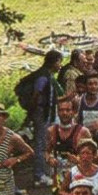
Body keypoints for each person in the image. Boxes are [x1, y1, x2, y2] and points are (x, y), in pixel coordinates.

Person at [29, 49, 63, 186]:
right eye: (60, 62)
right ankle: (39, 176)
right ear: (54, 62)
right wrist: (36, 109)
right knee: (41, 144)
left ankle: (46, 171)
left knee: (46, 142)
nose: (60, 65)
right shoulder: (43, 77)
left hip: (45, 113)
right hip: (41, 114)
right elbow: (36, 95)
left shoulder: (47, 75)